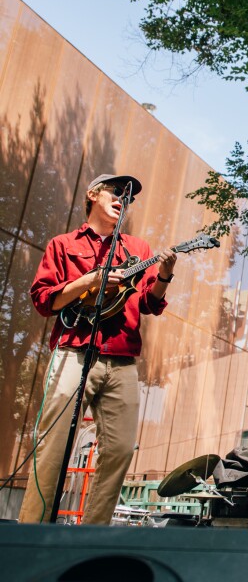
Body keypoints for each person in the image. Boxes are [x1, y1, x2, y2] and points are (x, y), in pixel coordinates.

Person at [22, 173, 177, 524]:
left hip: (122, 359)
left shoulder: (138, 250)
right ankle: (31, 532)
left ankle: (91, 535)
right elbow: (45, 300)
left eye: (130, 196)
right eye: (117, 191)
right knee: (54, 448)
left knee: (120, 449)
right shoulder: (63, 244)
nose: (124, 198)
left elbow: (151, 304)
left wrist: (165, 274)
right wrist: (89, 280)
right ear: (93, 194)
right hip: (74, 350)